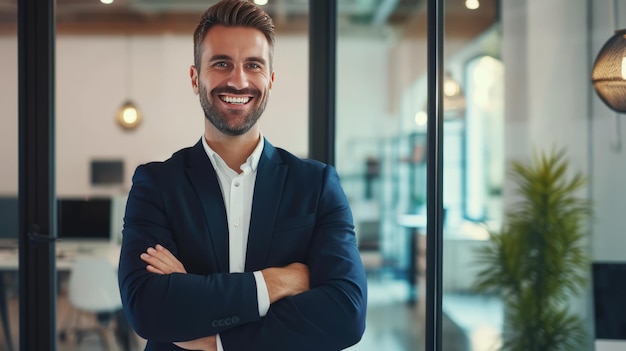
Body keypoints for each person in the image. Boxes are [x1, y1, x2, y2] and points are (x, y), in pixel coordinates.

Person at [117, 0, 368, 350]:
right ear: (195, 78)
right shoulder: (156, 185)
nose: (238, 80)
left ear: (270, 80)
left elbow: (346, 314)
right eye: (222, 64)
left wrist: (217, 338)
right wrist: (275, 283)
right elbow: (148, 310)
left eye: (253, 65)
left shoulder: (316, 185)